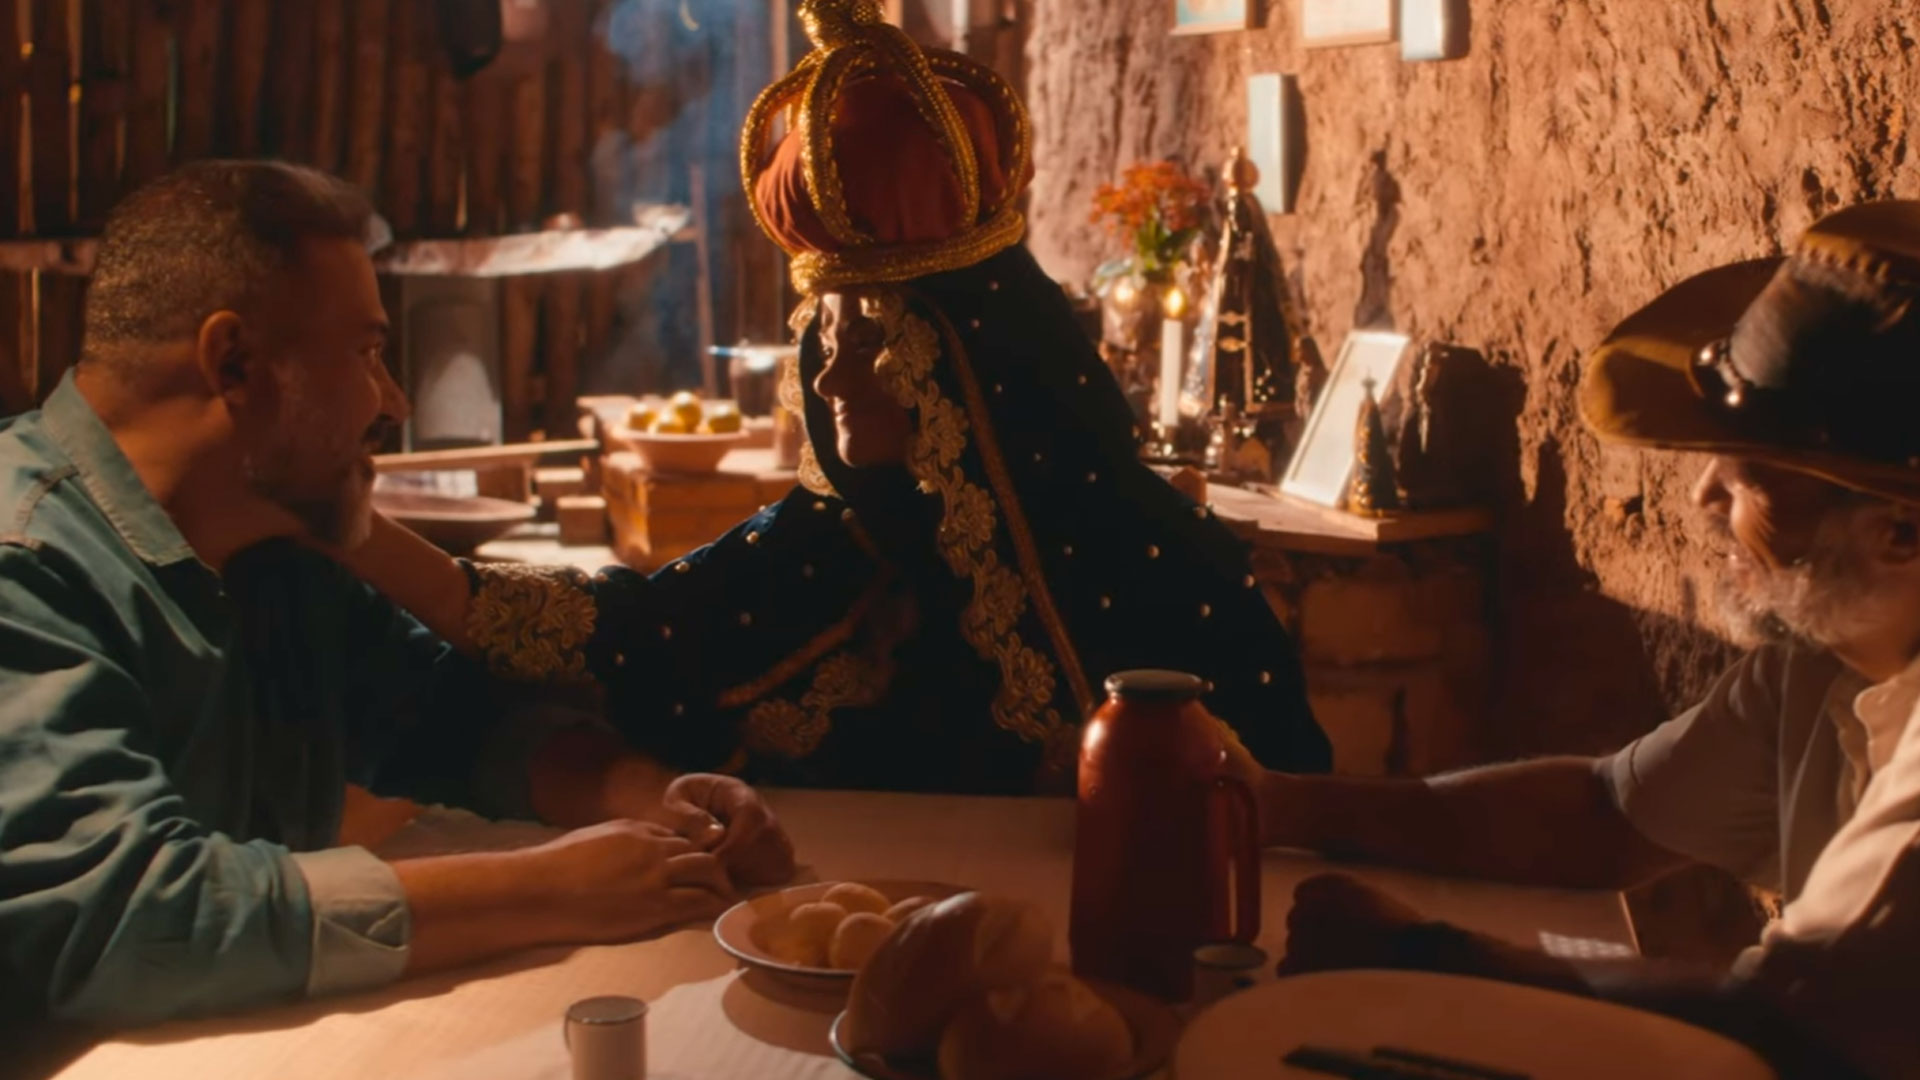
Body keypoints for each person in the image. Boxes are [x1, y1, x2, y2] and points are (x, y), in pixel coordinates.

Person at [337, 0, 1330, 794]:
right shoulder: (823, 548)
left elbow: (1271, 827)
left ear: (964, 366)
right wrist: (357, 535)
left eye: (871, 343)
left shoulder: (1172, 579)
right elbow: (635, 633)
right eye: (825, 338)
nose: (829, 377)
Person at [0, 161, 793, 1031]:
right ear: (234, 364)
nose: (396, 401)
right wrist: (547, 888)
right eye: (368, 353)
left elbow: (443, 718)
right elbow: (116, 916)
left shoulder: (269, 550)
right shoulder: (23, 569)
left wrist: (640, 796)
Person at [1259, 200, 1920, 1080]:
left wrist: (1425, 956)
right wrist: (1284, 806)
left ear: (1900, 532)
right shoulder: (1821, 665)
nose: (1702, 496)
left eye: (1751, 476)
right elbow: (1607, 816)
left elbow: (1780, 1026)